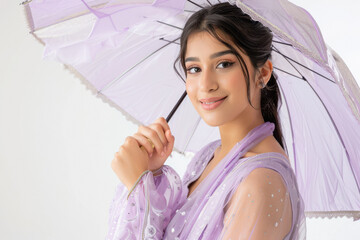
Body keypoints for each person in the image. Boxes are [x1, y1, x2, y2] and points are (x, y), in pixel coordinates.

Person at [107, 2, 306, 240]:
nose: (205, 85)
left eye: (223, 64)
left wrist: (138, 189)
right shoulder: (210, 155)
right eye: (194, 68)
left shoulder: (260, 182)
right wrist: (152, 175)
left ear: (262, 73)